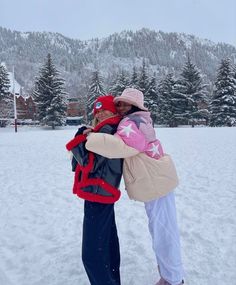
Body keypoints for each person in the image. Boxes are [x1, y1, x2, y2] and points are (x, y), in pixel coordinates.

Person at [85, 88, 184, 285]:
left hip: (156, 182)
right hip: (156, 181)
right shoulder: (138, 120)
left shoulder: (133, 122)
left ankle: (173, 279)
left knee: (164, 232)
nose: (120, 107)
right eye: (119, 103)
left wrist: (90, 138)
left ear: (135, 106)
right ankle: (169, 275)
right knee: (161, 230)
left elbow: (122, 147)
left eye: (125, 103)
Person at [65, 95, 123, 285]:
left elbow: (89, 164)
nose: (100, 114)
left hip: (98, 194)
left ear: (113, 111)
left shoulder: (107, 131)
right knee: (106, 244)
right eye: (97, 112)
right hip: (102, 193)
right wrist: (85, 138)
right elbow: (78, 165)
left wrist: (79, 137)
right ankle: (113, 280)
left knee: (91, 254)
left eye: (104, 110)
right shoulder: (105, 130)